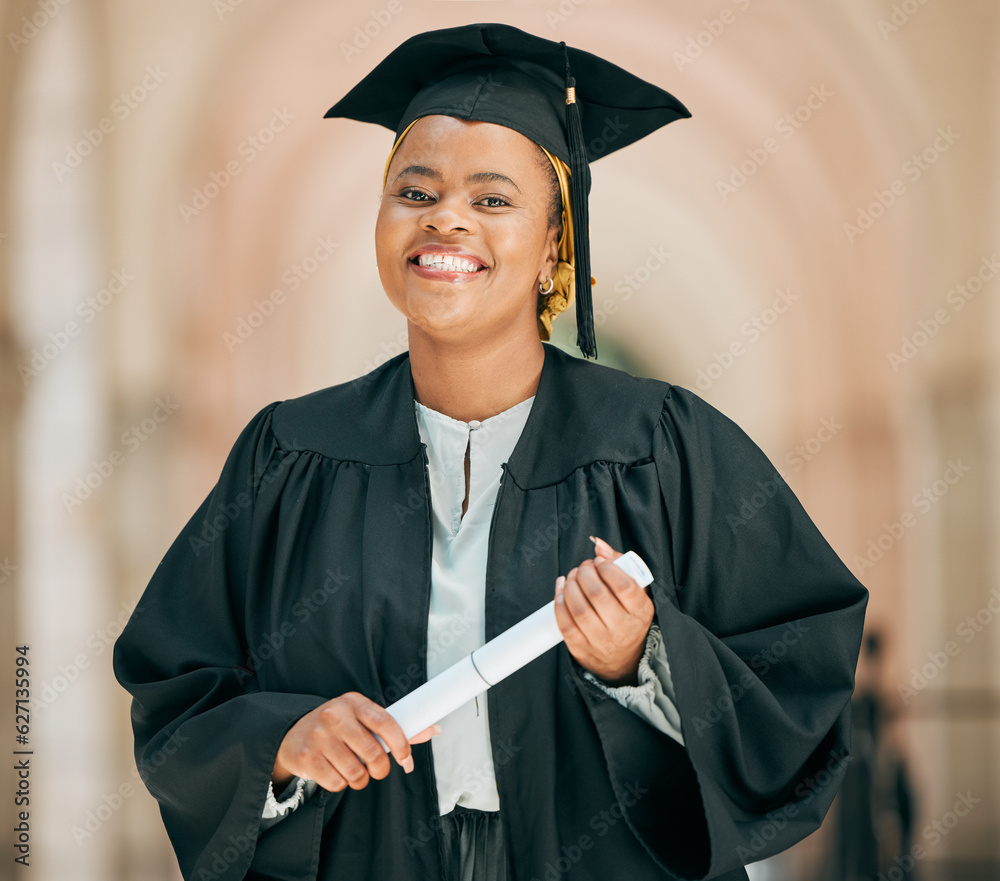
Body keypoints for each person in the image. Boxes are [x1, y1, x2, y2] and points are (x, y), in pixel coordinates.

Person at [113, 22, 868, 881]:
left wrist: (644, 656)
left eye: (494, 199)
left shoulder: (663, 445)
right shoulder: (289, 455)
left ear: (556, 243)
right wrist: (283, 744)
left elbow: (800, 664)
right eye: (415, 190)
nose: (446, 218)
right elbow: (175, 685)